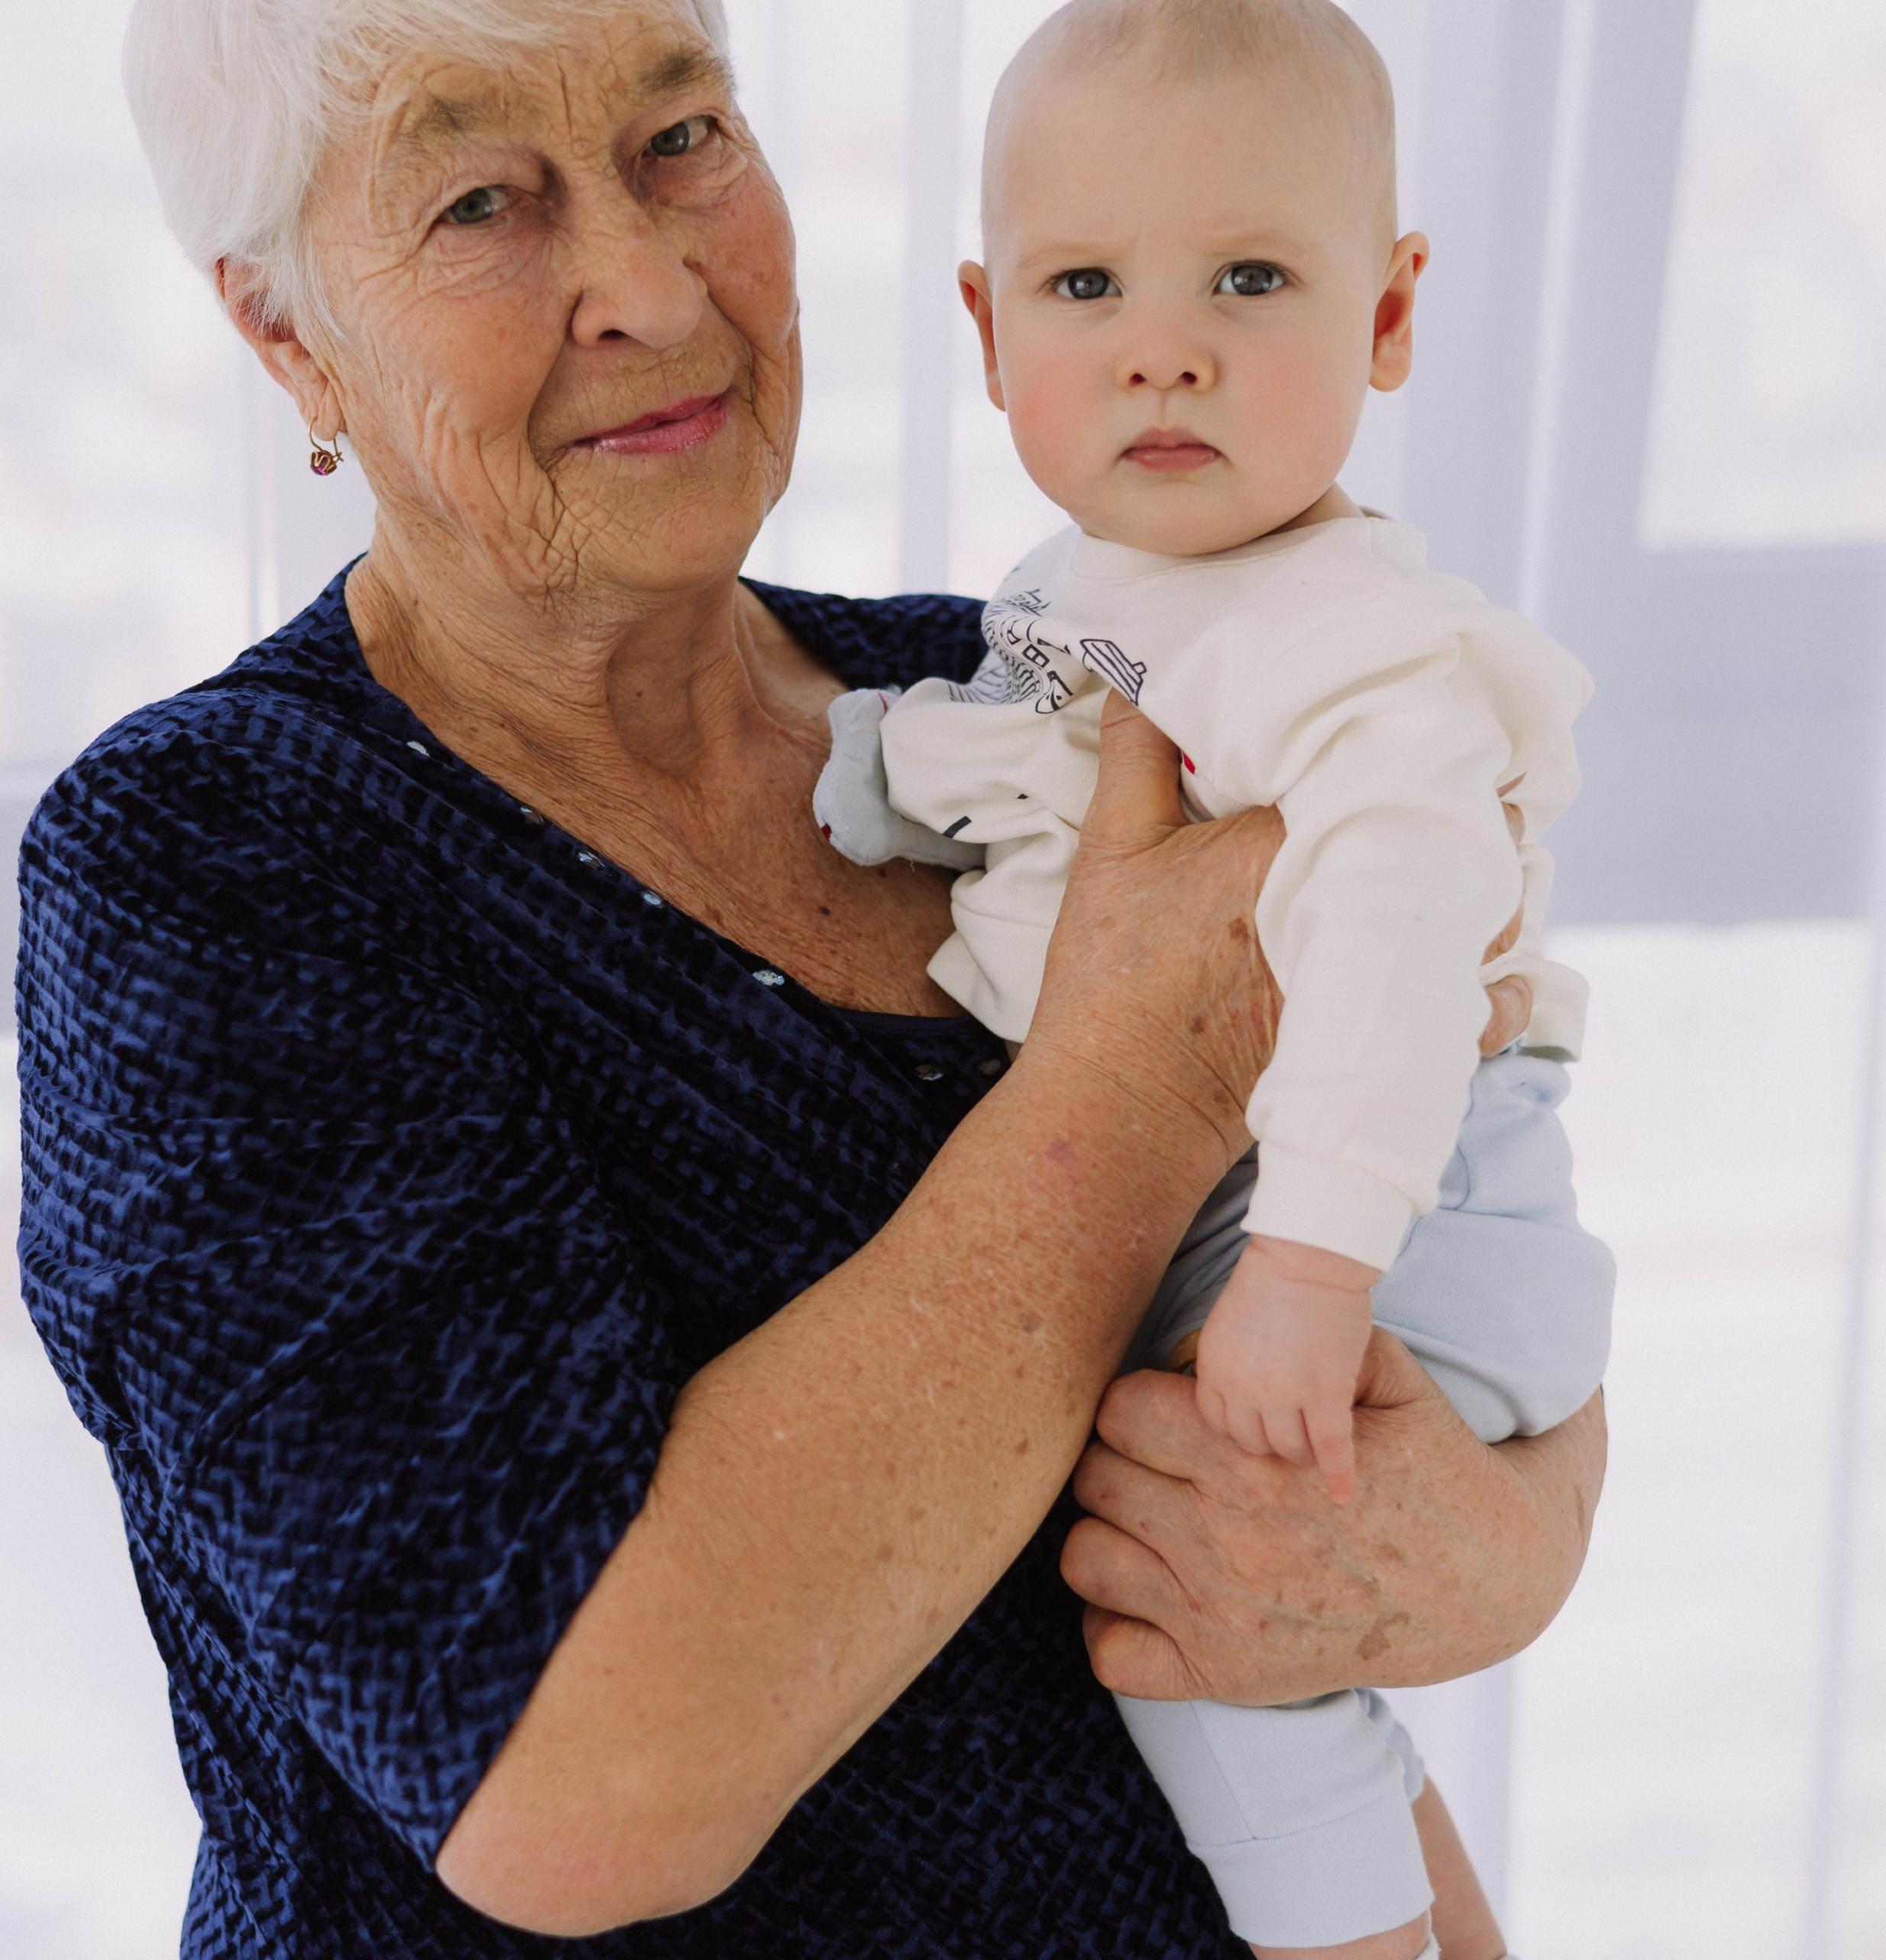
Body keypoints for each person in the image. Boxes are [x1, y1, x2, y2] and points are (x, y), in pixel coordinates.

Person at [15, 1, 1607, 1955]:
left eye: (681, 139)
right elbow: (577, 1788)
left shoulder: (992, 688)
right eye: (481, 202)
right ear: (288, 334)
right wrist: (1143, 1077)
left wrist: (1515, 1540)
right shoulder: (215, 855)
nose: (643, 282)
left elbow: (1452, 1204)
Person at [811, 4, 1613, 1957]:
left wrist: (1313, 1272)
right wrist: (891, 770)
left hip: (1391, 1211)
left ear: (1387, 314)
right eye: (1086, 284)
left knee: (1211, 1629)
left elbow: (1407, 932)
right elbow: (1053, 772)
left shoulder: (1347, 641)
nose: (1161, 346)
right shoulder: (1089, 586)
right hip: (1302, 1195)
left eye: (1247, 278)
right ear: (986, 331)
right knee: (1236, 1610)